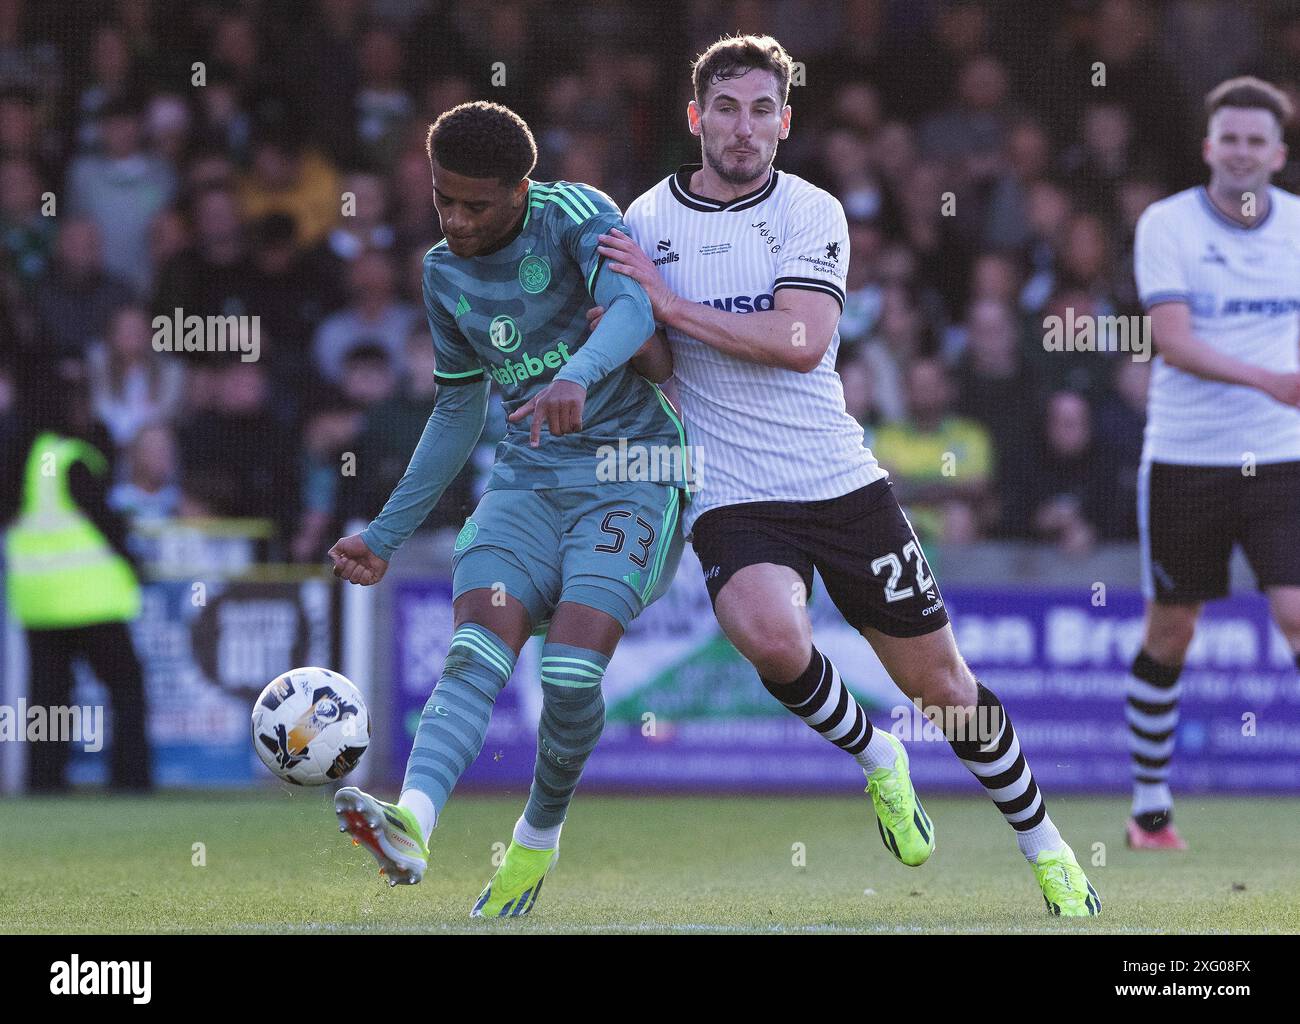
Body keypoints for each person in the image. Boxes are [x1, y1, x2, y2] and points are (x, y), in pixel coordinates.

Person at [597, 33, 1100, 915]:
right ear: (694, 116)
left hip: (837, 480)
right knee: (770, 636)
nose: (744, 127)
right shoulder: (644, 222)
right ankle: (877, 757)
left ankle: (1045, 842)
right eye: (726, 107)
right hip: (732, 489)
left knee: (944, 688)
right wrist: (618, 319)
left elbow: (801, 342)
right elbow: (660, 365)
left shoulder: (810, 211)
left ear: (786, 122)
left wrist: (668, 303)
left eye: (762, 110)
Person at [326, 101, 687, 917]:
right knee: (474, 654)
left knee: (566, 673)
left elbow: (634, 312)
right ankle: (411, 824)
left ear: (521, 189)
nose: (454, 220)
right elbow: (456, 414)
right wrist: (384, 535)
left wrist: (578, 374)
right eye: (441, 200)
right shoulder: (441, 274)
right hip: (526, 480)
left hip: (634, 469)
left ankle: (536, 837)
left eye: (475, 204)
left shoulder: (575, 214)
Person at [1128, 76, 1300, 851]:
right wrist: (1271, 380)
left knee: (1295, 611)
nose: (1240, 151)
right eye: (1228, 138)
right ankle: (1149, 809)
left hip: (1284, 456)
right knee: (1173, 630)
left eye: (1255, 140)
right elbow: (1172, 341)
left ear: (1278, 154)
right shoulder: (1166, 225)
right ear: (1208, 147)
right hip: (1187, 457)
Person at [1, 365, 151, 793]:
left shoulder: (23, 455)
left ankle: (44, 782)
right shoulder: (69, 456)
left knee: (49, 701)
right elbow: (104, 520)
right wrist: (134, 562)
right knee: (126, 687)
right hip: (89, 599)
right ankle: (131, 780)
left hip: (38, 601)